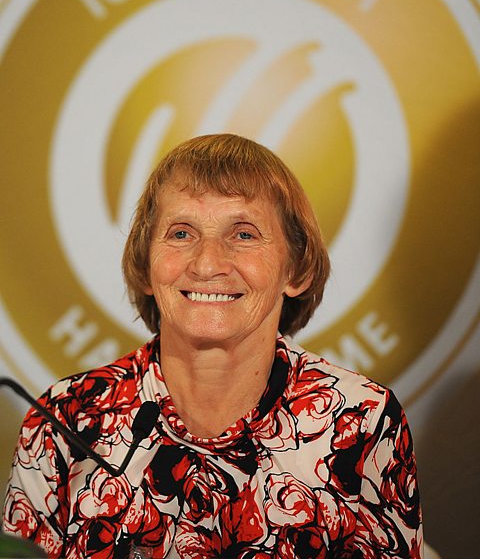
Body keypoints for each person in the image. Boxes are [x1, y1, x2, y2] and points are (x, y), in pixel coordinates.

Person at [3, 134, 423, 558]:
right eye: (181, 233)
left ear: (296, 269)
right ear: (146, 265)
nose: (207, 263)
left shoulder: (363, 421)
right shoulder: (64, 420)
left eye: (243, 234)